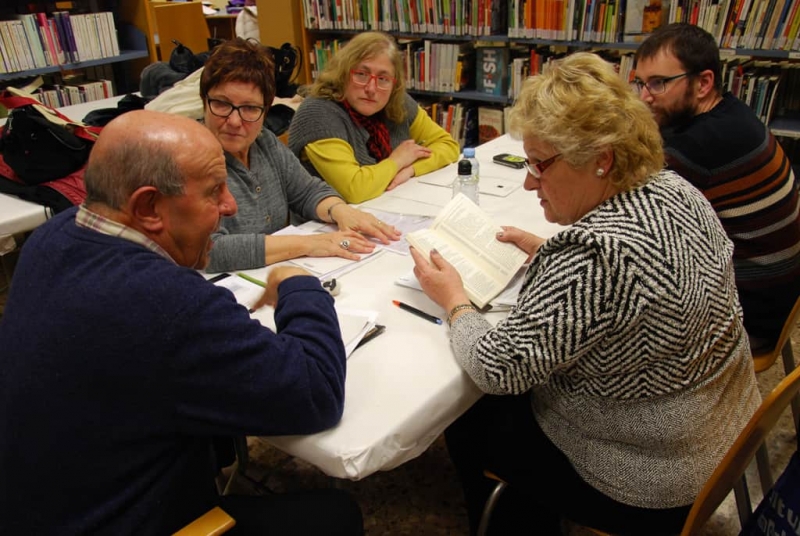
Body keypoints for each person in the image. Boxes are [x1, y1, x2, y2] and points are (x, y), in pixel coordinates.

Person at [410, 52, 761, 535]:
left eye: (540, 164)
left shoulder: (590, 257)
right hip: (718, 439)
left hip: (649, 483)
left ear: (602, 160)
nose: (531, 181)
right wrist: (551, 255)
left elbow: (497, 368)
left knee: (471, 413)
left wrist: (454, 299)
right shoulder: (676, 189)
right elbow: (635, 281)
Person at [0, 110, 363, 536]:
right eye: (214, 191)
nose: (229, 206)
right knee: (335, 516)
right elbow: (315, 392)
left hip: (37, 503)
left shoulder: (53, 235)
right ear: (148, 206)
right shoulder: (168, 304)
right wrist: (300, 284)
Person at [634, 23, 800, 352]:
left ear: (704, 83)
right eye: (639, 83)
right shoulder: (730, 111)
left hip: (749, 319)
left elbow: (628, 210)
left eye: (659, 83)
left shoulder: (698, 146)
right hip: (779, 293)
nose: (644, 97)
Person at [200, 38, 400, 273]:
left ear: (265, 111)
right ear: (204, 101)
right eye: (222, 104)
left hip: (271, 274)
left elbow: (307, 191)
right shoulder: (189, 157)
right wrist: (309, 244)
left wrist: (340, 210)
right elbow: (210, 250)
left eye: (250, 108)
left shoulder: (264, 142)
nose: (235, 121)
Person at [288, 31, 460, 203]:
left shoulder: (396, 101)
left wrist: (411, 169)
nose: (371, 88)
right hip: (324, 223)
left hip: (386, 204)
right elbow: (356, 189)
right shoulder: (318, 113)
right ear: (343, 73)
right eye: (361, 74)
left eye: (383, 78)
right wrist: (397, 161)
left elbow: (448, 145)